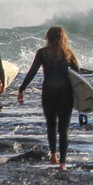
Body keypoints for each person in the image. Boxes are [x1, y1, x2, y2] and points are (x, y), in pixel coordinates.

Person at [18, 26, 79, 170]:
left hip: (48, 93)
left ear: (48, 37)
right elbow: (78, 77)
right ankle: (63, 163)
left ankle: (53, 156)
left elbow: (32, 72)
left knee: (51, 125)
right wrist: (82, 99)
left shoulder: (42, 53)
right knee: (64, 129)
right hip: (66, 94)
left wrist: (22, 89)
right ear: (63, 38)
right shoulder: (68, 53)